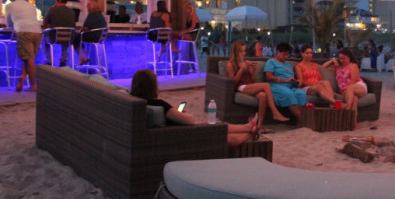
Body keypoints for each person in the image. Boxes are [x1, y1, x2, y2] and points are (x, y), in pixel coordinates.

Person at [130, 69, 258, 146]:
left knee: (212, 125)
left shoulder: (134, 102)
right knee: (225, 136)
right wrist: (181, 112)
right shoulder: (159, 105)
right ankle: (251, 134)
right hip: (181, 136)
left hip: (170, 133)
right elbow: (190, 120)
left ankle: (247, 127)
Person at [227, 39, 289, 131]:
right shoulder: (230, 64)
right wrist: (241, 69)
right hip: (240, 87)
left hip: (249, 86)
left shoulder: (245, 61)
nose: (243, 53)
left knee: (263, 96)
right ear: (235, 52)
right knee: (266, 85)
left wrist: (253, 71)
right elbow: (232, 82)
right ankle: (275, 112)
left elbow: (253, 80)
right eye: (241, 51)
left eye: (244, 51)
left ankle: (259, 125)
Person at [5, 0, 42, 92]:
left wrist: (13, 26)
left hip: (24, 31)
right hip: (37, 32)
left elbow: (8, 22)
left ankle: (34, 85)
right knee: (30, 58)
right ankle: (22, 76)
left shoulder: (9, 6)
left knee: (28, 58)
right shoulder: (31, 6)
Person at [322, 47, 367, 124]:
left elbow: (353, 80)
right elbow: (322, 67)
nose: (341, 60)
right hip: (347, 92)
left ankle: (346, 106)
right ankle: (353, 124)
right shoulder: (337, 68)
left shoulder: (353, 65)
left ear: (349, 57)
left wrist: (346, 90)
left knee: (350, 89)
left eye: (344, 58)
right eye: (340, 58)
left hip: (358, 86)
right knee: (354, 100)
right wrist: (332, 61)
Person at [264, 42, 307, 120]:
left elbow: (291, 77)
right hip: (276, 85)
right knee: (288, 94)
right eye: (284, 54)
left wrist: (297, 81)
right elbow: (268, 76)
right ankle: (303, 120)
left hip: (291, 86)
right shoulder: (271, 62)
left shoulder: (288, 64)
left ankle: (302, 119)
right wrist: (284, 80)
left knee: (301, 93)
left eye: (287, 55)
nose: (286, 57)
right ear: (278, 52)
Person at [42, 0, 77, 66]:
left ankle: (48, 60)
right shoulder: (72, 12)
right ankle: (63, 58)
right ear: (66, 2)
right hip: (68, 38)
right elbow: (74, 26)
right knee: (65, 37)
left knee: (44, 37)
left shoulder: (52, 9)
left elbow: (44, 23)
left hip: (54, 37)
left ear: (57, 1)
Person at [75, 0, 108, 65]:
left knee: (75, 38)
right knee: (79, 37)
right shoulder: (100, 15)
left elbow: (85, 28)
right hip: (99, 37)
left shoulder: (92, 14)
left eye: (88, 5)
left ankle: (83, 57)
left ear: (92, 6)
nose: (87, 6)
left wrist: (79, 31)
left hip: (93, 36)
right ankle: (85, 56)